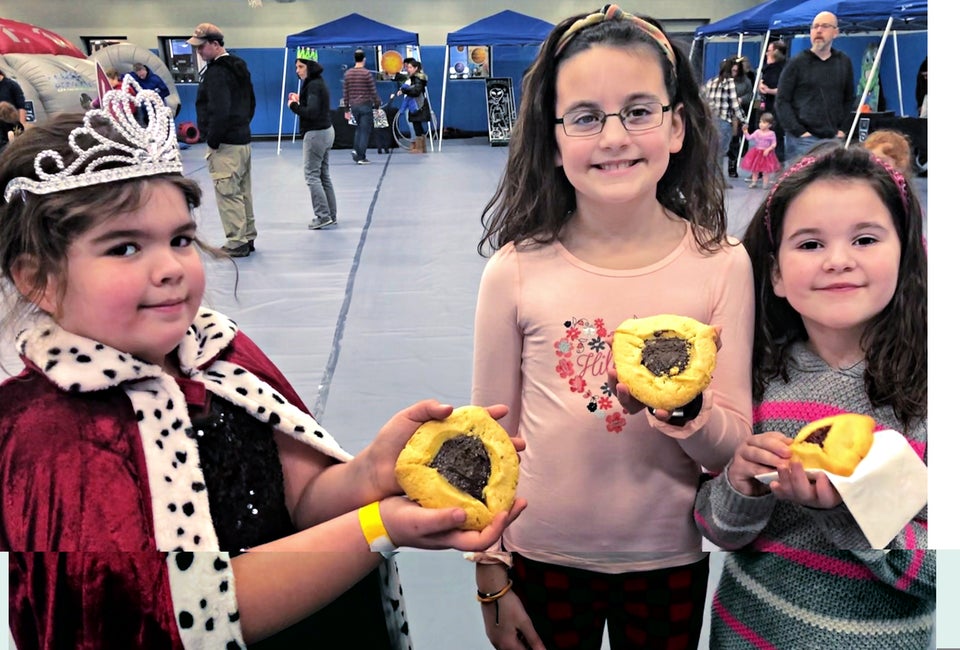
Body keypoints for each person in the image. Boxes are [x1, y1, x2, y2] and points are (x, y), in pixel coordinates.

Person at [0, 79, 526, 650]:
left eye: (180, 239)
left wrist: (374, 472)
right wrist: (378, 526)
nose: (172, 267)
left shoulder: (221, 354)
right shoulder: (52, 436)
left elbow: (300, 502)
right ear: (38, 279)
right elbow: (184, 618)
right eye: (125, 247)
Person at [470, 6, 754, 650]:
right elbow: (491, 435)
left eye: (639, 110)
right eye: (586, 117)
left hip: (667, 560)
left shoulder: (721, 264)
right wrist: (489, 568)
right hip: (539, 556)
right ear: (554, 136)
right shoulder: (513, 271)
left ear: (676, 126)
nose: (614, 137)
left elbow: (731, 447)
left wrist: (683, 411)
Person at [694, 143, 933, 649]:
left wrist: (850, 510)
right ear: (776, 273)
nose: (838, 261)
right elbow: (717, 529)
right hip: (743, 637)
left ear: (906, 253)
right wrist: (740, 486)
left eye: (865, 239)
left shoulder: (932, 397)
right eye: (809, 245)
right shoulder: (753, 380)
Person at [188, 22, 258, 258]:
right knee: (242, 191)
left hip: (226, 143)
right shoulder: (239, 67)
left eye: (201, 47)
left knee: (228, 193)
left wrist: (213, 139)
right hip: (242, 140)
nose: (198, 52)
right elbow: (251, 102)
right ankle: (247, 236)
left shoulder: (217, 73)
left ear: (215, 45)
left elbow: (220, 109)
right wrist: (243, 126)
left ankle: (236, 241)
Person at [775, 11, 854, 161]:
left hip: (832, 138)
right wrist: (798, 131)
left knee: (831, 182)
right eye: (815, 26)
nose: (818, 31)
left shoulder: (844, 62)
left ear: (835, 32)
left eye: (825, 26)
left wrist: (843, 129)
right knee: (800, 183)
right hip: (802, 140)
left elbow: (849, 98)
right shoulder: (797, 63)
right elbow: (782, 100)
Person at [287, 49, 337, 230]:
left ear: (310, 66)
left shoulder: (313, 85)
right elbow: (315, 105)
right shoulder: (316, 84)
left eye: (300, 66)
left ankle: (323, 215)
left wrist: (294, 106)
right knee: (323, 175)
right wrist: (302, 100)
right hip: (326, 131)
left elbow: (311, 112)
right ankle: (331, 214)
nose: (297, 70)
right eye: (296, 67)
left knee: (312, 176)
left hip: (316, 134)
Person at [702, 57, 747, 188]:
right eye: (734, 70)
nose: (735, 73)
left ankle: (708, 180)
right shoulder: (729, 83)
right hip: (723, 121)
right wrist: (744, 120)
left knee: (711, 152)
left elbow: (702, 97)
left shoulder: (711, 82)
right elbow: (735, 104)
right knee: (720, 153)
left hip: (709, 121)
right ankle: (719, 181)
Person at [343, 49, 379, 165]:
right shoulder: (366, 73)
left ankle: (356, 150)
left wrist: (346, 109)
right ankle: (361, 156)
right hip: (365, 105)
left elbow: (346, 92)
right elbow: (373, 91)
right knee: (364, 131)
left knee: (358, 129)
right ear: (364, 59)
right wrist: (377, 104)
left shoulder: (348, 73)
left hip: (354, 106)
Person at [392, 57, 431, 154]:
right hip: (418, 103)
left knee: (416, 125)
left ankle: (419, 148)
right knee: (417, 125)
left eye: (409, 67)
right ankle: (422, 148)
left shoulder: (417, 78)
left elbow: (416, 91)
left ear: (415, 68)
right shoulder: (418, 78)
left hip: (416, 104)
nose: (408, 69)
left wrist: (405, 90)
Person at [758, 40, 788, 163]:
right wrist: (761, 85)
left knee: (776, 135)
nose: (766, 53)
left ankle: (777, 166)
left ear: (776, 52)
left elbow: (785, 89)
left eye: (769, 51)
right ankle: (759, 168)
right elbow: (763, 80)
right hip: (766, 104)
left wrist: (770, 90)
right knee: (762, 135)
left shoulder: (785, 68)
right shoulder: (768, 68)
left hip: (778, 106)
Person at [726, 56, 754, 177]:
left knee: (734, 141)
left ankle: (732, 167)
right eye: (733, 70)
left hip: (737, 115)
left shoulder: (746, 81)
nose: (735, 73)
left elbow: (750, 95)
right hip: (724, 114)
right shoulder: (724, 81)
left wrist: (742, 99)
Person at [739, 112, 780, 188]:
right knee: (755, 169)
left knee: (766, 170)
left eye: (764, 122)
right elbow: (749, 138)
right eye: (760, 122)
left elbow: (774, 144)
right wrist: (745, 132)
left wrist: (768, 149)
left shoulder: (771, 133)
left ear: (770, 125)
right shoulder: (757, 132)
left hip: (766, 154)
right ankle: (754, 182)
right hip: (757, 152)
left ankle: (765, 183)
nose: (761, 124)